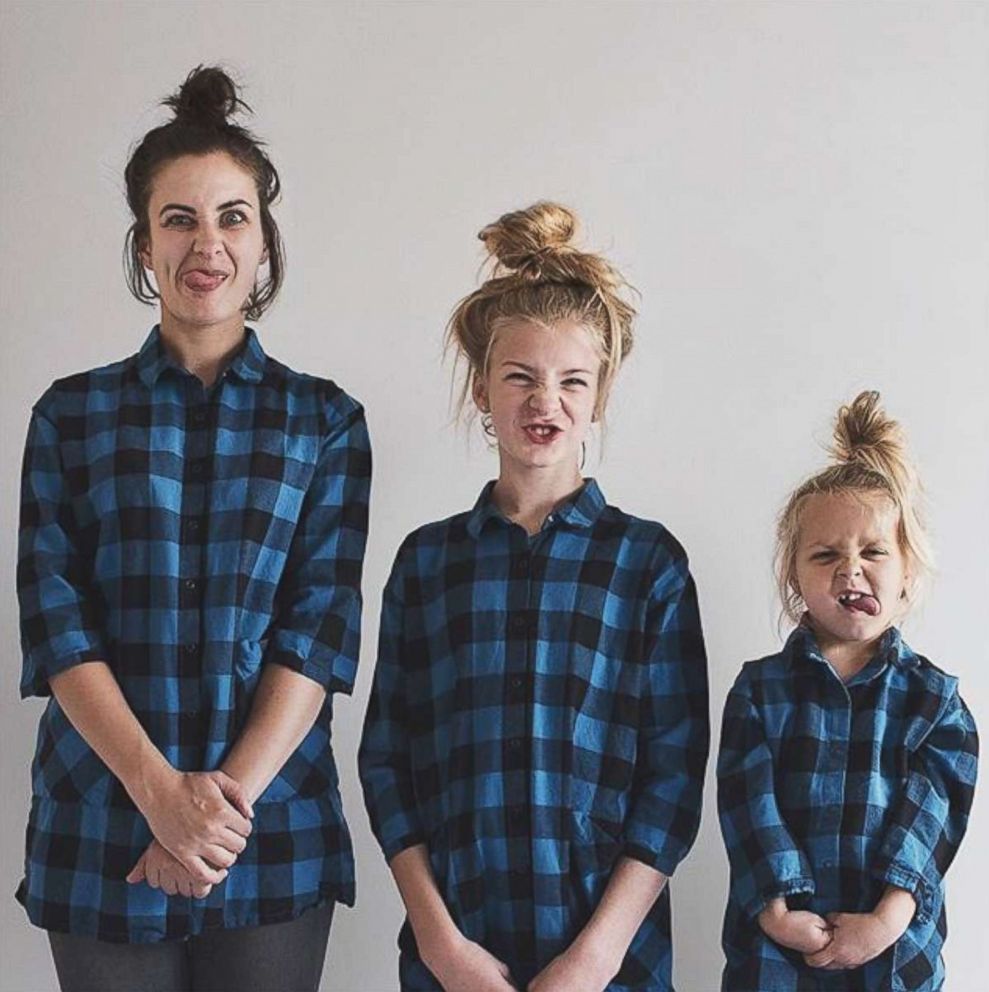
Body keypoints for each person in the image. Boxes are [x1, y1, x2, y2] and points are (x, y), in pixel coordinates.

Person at [16, 66, 371, 992]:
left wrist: (210, 816)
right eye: (178, 219)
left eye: (232, 217)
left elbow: (319, 629)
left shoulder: (324, 422)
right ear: (143, 246)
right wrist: (156, 798)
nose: (205, 243)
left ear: (263, 244)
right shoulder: (68, 416)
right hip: (101, 818)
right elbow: (56, 624)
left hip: (270, 826)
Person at [359, 202, 709, 992]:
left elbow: (672, 778)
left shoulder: (647, 564)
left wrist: (591, 960)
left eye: (570, 380)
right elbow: (387, 761)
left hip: (607, 966)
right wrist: (441, 945)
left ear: (599, 397)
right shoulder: (426, 563)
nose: (542, 400)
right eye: (518, 376)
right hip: (455, 958)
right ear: (482, 389)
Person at [717, 391, 978, 992]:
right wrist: (777, 910)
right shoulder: (760, 692)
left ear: (907, 569)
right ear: (795, 575)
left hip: (892, 957)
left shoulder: (936, 703)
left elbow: (930, 823)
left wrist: (886, 919)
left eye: (873, 552)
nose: (850, 570)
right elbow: (747, 805)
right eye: (826, 554)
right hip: (776, 957)